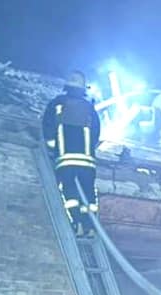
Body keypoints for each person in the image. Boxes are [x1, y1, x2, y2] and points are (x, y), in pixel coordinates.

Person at [42, 70, 101, 236]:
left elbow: (48, 129)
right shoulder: (90, 108)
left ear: (67, 86)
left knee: (70, 193)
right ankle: (90, 227)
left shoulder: (56, 104)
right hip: (87, 161)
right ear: (83, 88)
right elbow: (96, 132)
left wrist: (52, 148)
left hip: (65, 159)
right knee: (89, 194)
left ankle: (76, 224)